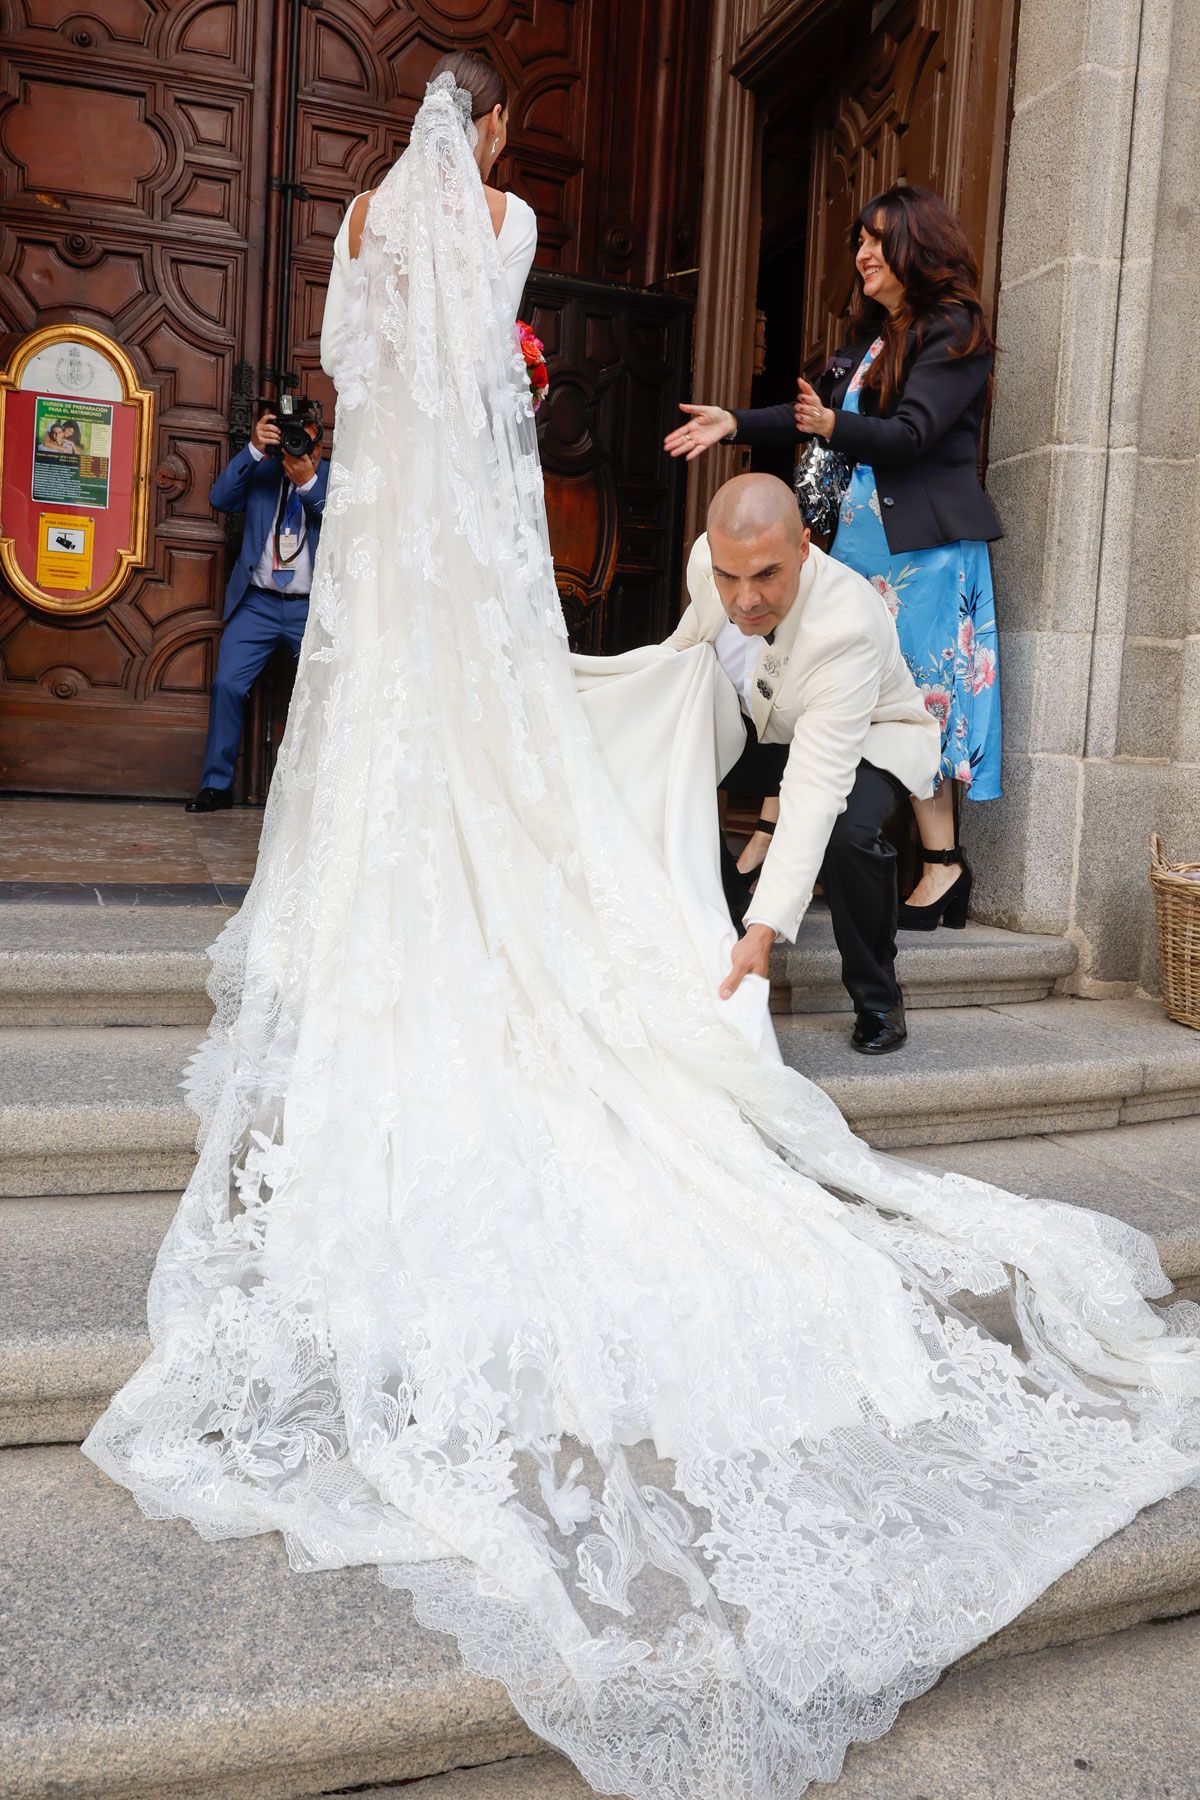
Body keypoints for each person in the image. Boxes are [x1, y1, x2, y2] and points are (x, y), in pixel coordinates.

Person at [84, 61, 1200, 1800]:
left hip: (387, 534)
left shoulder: (368, 218)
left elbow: (348, 368)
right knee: (478, 737)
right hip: (461, 518)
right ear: (504, 143)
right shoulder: (513, 222)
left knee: (386, 746)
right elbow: (484, 390)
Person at [666, 183, 1002, 931]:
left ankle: (943, 868)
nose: (861, 254)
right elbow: (809, 414)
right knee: (838, 687)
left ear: (915, 244)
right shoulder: (871, 340)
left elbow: (912, 434)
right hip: (860, 550)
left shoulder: (954, 331)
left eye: (876, 240)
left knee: (920, 699)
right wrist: (734, 421)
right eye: (858, 241)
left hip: (923, 552)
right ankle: (805, 840)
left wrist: (830, 426)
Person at [665, 471, 939, 1053]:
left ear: (803, 546)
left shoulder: (847, 626)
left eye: (767, 574)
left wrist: (768, 932)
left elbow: (813, 787)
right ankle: (725, 918)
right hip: (769, 724)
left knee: (847, 833)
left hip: (869, 734)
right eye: (729, 577)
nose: (746, 599)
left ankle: (877, 995)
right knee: (663, 766)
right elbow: (687, 648)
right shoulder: (705, 561)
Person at [185, 409, 328, 812]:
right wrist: (252, 448)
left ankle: (314, 794)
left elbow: (345, 525)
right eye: (295, 442)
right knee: (227, 684)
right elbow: (220, 499)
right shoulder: (263, 471)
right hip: (258, 603)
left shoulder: (334, 479)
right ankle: (216, 786)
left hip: (312, 609)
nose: (304, 452)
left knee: (322, 694)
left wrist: (309, 485)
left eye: (312, 446)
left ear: (322, 447)